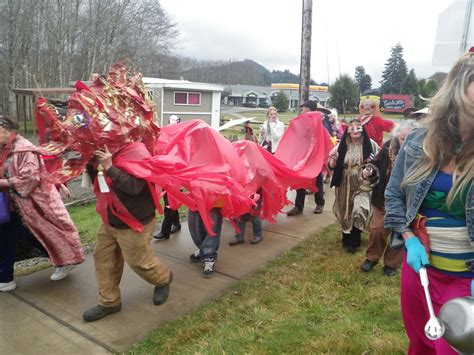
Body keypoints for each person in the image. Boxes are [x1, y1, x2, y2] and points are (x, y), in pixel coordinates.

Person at [384, 49, 474, 354]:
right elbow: (394, 195)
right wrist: (408, 237)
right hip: (421, 271)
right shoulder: (419, 140)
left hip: (467, 280)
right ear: (460, 86)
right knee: (421, 342)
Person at [83, 145, 173, 322]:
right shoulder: (102, 150)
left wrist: (110, 166)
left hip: (135, 221)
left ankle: (163, 279)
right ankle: (109, 302)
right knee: (103, 259)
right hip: (110, 220)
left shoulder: (137, 151)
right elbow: (99, 183)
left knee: (139, 262)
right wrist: (90, 164)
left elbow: (134, 187)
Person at [0, 116, 84, 292]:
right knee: (17, 236)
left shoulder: (23, 150)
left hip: (33, 203)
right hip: (12, 203)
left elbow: (30, 178)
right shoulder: (5, 147)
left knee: (43, 232)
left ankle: (65, 260)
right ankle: (6, 278)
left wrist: (3, 183)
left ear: (6, 130)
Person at [360, 120, 418, 276]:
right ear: (396, 136)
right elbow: (375, 162)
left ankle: (391, 264)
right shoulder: (388, 147)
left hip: (406, 202)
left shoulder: (421, 152)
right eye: (401, 138)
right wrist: (369, 170)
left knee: (399, 233)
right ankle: (372, 258)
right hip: (383, 199)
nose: (405, 142)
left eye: (408, 138)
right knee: (377, 229)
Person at [328, 119, 379, 253]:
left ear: (362, 130)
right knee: (345, 210)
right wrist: (333, 159)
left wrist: (371, 169)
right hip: (344, 181)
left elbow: (378, 161)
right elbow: (330, 166)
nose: (355, 131)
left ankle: (355, 240)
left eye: (358, 128)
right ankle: (346, 237)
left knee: (360, 208)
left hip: (362, 181)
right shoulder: (341, 145)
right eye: (352, 128)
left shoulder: (371, 144)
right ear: (348, 131)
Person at [287, 100, 330, 216]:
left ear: (309, 109)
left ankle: (320, 203)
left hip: (315, 156)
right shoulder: (302, 121)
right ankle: (298, 206)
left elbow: (322, 135)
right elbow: (300, 136)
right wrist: (294, 126)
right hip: (303, 156)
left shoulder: (319, 120)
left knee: (317, 180)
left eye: (304, 108)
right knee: (300, 179)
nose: (302, 110)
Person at [153, 115, 181, 241]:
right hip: (165, 177)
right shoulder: (165, 140)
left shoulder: (180, 142)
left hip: (175, 178)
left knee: (169, 204)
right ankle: (177, 224)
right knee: (169, 202)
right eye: (170, 122)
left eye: (174, 122)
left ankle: (165, 231)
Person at [188, 205, 223, 278]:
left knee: (212, 225)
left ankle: (209, 255)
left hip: (215, 198)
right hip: (195, 197)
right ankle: (203, 249)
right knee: (194, 223)